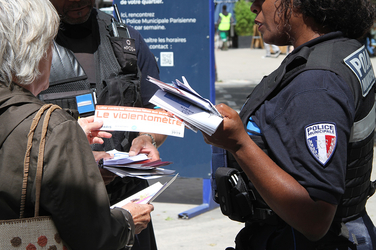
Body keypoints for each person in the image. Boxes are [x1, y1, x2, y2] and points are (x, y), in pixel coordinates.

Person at [0, 0, 154, 249]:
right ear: (34, 50)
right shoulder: (53, 128)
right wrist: (128, 221)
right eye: (50, 43)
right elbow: (93, 235)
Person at [205, 0, 376, 249]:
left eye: (260, 0)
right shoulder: (342, 49)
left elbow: (315, 218)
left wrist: (238, 143)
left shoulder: (317, 82)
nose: (253, 8)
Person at [42, 1, 167, 249]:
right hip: (61, 206)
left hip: (128, 199)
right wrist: (80, 165)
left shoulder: (126, 39)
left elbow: (157, 111)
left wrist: (148, 138)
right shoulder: (27, 44)